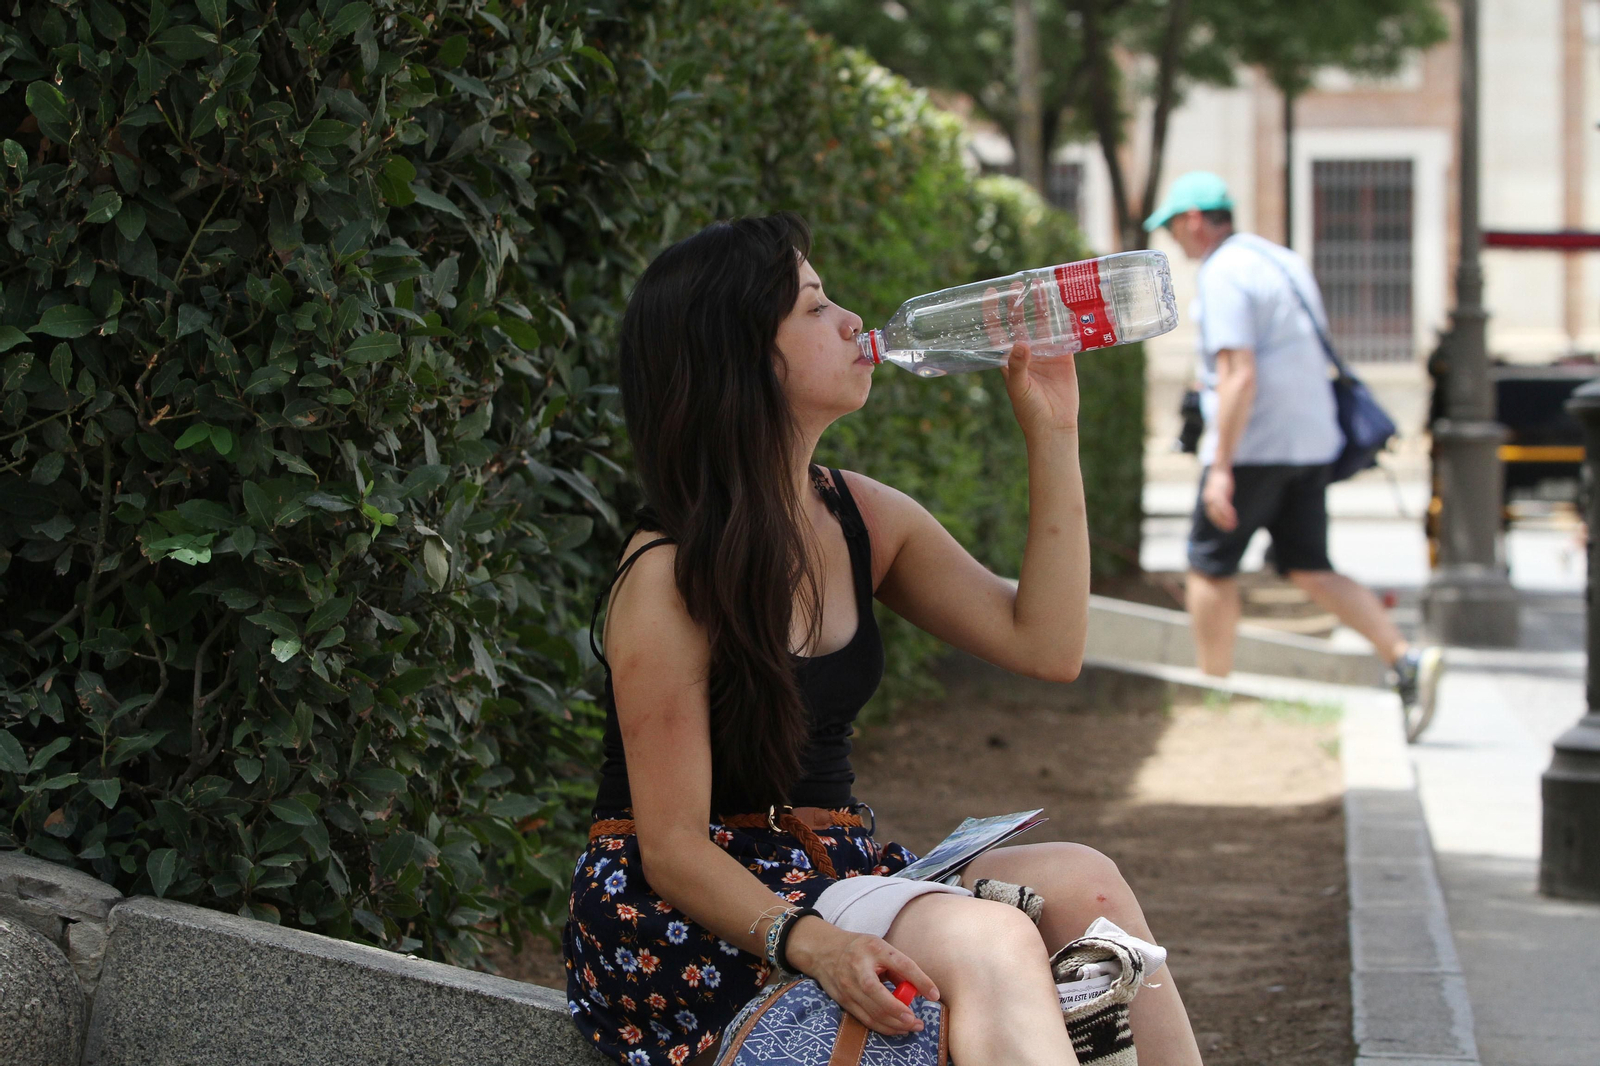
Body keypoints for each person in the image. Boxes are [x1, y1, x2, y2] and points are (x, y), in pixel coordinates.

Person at [561, 213, 1205, 1066]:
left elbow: (1047, 644)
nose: (852, 322)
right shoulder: (667, 577)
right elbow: (671, 848)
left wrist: (1053, 435)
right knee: (991, 942)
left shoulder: (859, 515)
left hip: (837, 872)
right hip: (696, 914)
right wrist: (816, 944)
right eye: (815, 307)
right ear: (745, 357)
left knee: (1087, 885)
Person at [1146, 171, 1443, 729]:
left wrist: (1220, 469)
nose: (1175, 244)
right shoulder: (1282, 260)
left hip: (1256, 445)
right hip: (1311, 442)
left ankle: (1214, 695)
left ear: (1192, 222)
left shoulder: (1224, 273)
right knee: (1307, 566)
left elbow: (1238, 375)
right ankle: (1405, 658)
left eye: (1172, 230)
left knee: (1208, 568)